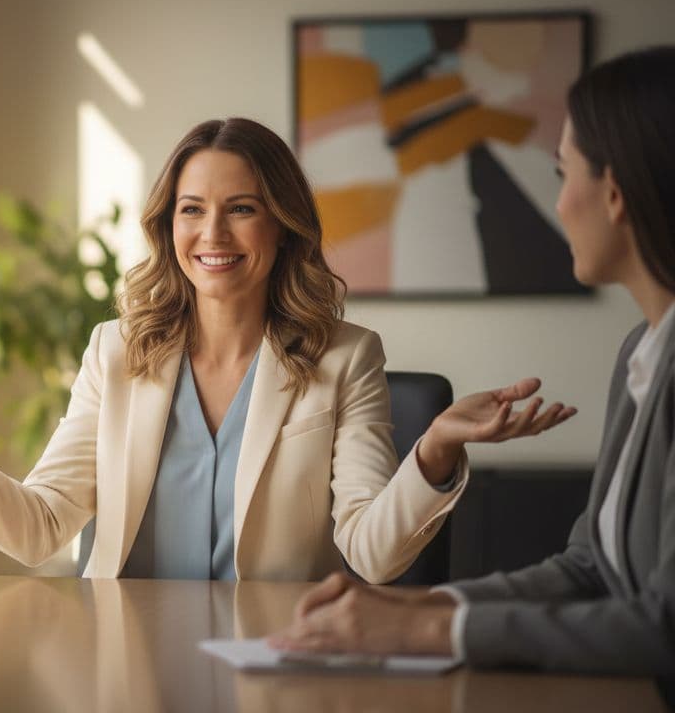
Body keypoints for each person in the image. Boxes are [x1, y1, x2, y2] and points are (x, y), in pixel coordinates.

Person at [0, 116, 572, 583]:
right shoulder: (115, 352)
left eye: (242, 209)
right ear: (168, 226)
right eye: (192, 210)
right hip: (121, 663)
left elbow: (370, 553)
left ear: (282, 225)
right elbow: (40, 524)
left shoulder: (346, 358)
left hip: (274, 664)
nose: (213, 235)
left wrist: (432, 449)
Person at [271, 46, 675, 678]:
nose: (560, 200)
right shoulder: (643, 351)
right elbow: (589, 567)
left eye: (564, 173)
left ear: (616, 194)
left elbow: (664, 628)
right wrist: (413, 609)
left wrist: (429, 627)